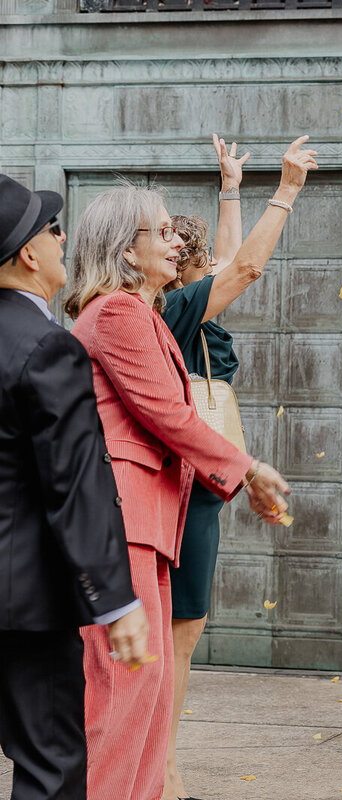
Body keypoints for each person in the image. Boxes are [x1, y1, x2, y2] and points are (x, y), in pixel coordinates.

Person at [63, 173, 301, 800]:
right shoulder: (116, 311)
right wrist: (247, 468)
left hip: (147, 525)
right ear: (123, 248)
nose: (175, 242)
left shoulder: (144, 312)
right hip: (121, 525)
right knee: (126, 689)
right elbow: (167, 413)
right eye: (162, 231)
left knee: (153, 685)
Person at [161, 133, 315, 800]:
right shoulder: (177, 308)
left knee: (183, 629)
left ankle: (159, 761)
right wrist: (284, 190)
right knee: (180, 632)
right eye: (192, 255)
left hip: (201, 478)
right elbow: (244, 267)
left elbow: (230, 258)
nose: (205, 261)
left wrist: (230, 186)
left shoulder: (191, 307)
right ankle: (160, 768)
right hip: (187, 478)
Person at [0, 175, 150, 800]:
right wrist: (114, 599)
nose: (66, 240)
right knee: (50, 763)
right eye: (53, 229)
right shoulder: (46, 348)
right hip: (25, 604)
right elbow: (76, 482)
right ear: (29, 255)